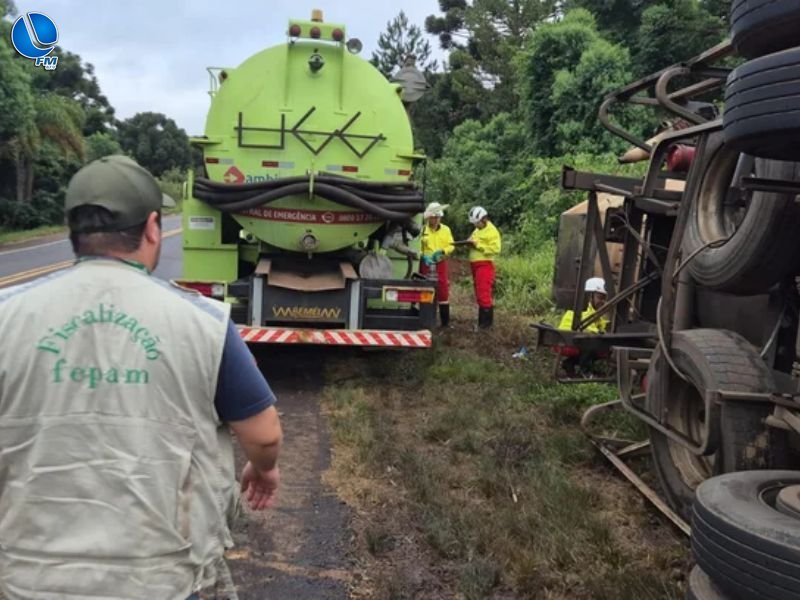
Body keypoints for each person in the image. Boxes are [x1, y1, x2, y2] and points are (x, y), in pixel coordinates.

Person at [0, 155, 283, 600]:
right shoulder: (202, 321)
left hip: (26, 575)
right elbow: (263, 435)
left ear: (73, 232)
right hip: (161, 576)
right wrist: (263, 469)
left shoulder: (6, 315)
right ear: (153, 227)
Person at [557, 277, 609, 376]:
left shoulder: (593, 311)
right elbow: (590, 329)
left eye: (604, 298)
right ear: (590, 296)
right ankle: (585, 371)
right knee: (594, 344)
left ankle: (569, 363)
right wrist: (602, 333)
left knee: (596, 345)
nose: (602, 301)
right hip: (566, 340)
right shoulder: (583, 310)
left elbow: (600, 325)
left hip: (573, 338)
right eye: (599, 297)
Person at [420, 201, 455, 327]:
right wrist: (423, 256)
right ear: (429, 217)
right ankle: (426, 321)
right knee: (426, 290)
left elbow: (451, 245)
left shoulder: (446, 230)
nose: (435, 220)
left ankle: (445, 324)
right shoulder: (422, 229)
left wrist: (443, 251)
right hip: (426, 263)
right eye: (433, 217)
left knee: (443, 290)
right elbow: (416, 246)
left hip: (440, 262)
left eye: (438, 217)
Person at [466, 206, 501, 329]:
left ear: (484, 219)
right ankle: (481, 324)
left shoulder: (492, 231)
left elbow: (496, 249)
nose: (476, 226)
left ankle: (486, 325)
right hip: (475, 265)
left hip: (485, 265)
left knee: (483, 293)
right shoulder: (477, 230)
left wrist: (478, 245)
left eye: (477, 223)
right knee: (478, 293)